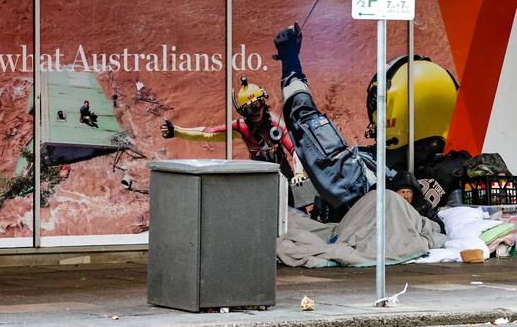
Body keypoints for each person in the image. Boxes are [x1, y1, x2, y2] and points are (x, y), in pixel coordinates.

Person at [273, 22, 374, 222]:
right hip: (357, 189)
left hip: (353, 191)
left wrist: (290, 60)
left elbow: (303, 118)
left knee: (307, 125)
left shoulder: (345, 179)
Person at [160, 76, 305, 183]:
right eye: (248, 109)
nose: (254, 112)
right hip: (258, 175)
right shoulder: (240, 127)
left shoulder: (276, 124)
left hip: (282, 171)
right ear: (242, 111)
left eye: (256, 105)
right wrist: (177, 131)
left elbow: (295, 150)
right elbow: (208, 134)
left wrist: (298, 173)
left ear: (263, 102)